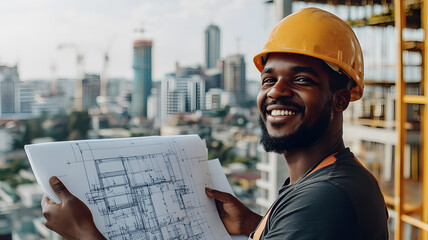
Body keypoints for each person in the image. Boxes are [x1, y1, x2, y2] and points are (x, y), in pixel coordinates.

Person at [41, 7, 389, 240]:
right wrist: (255, 226)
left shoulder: (326, 199)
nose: (277, 92)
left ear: (341, 99)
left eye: (301, 80)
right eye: (269, 80)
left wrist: (87, 235)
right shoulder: (328, 179)